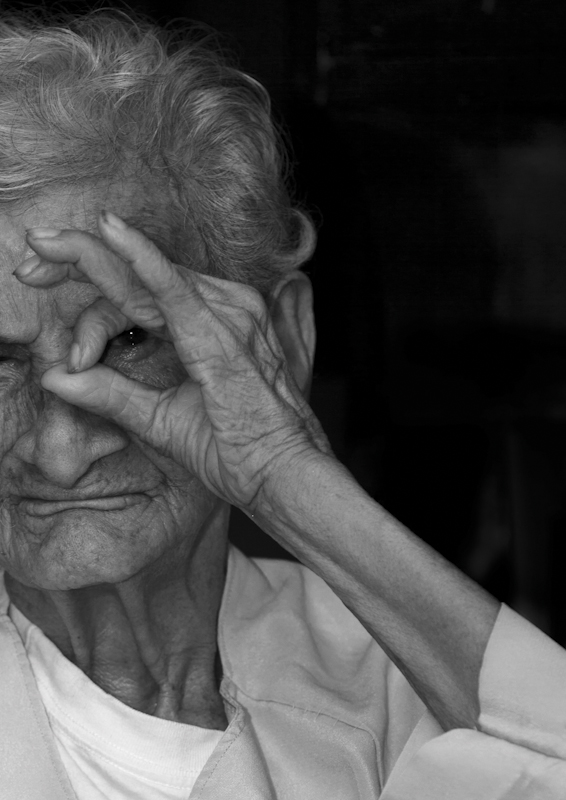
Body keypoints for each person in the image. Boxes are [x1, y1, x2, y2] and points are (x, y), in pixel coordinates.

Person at [0, 10, 565, 800]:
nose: (60, 451)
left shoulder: (403, 678)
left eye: (132, 339)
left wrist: (282, 469)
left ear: (285, 341)